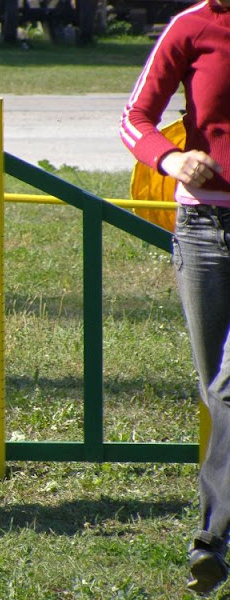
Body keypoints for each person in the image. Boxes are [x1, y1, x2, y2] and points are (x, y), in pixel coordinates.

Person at [120, 0, 230, 595]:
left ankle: (212, 540)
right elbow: (134, 117)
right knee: (216, 390)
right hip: (202, 232)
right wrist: (172, 157)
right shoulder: (193, 26)